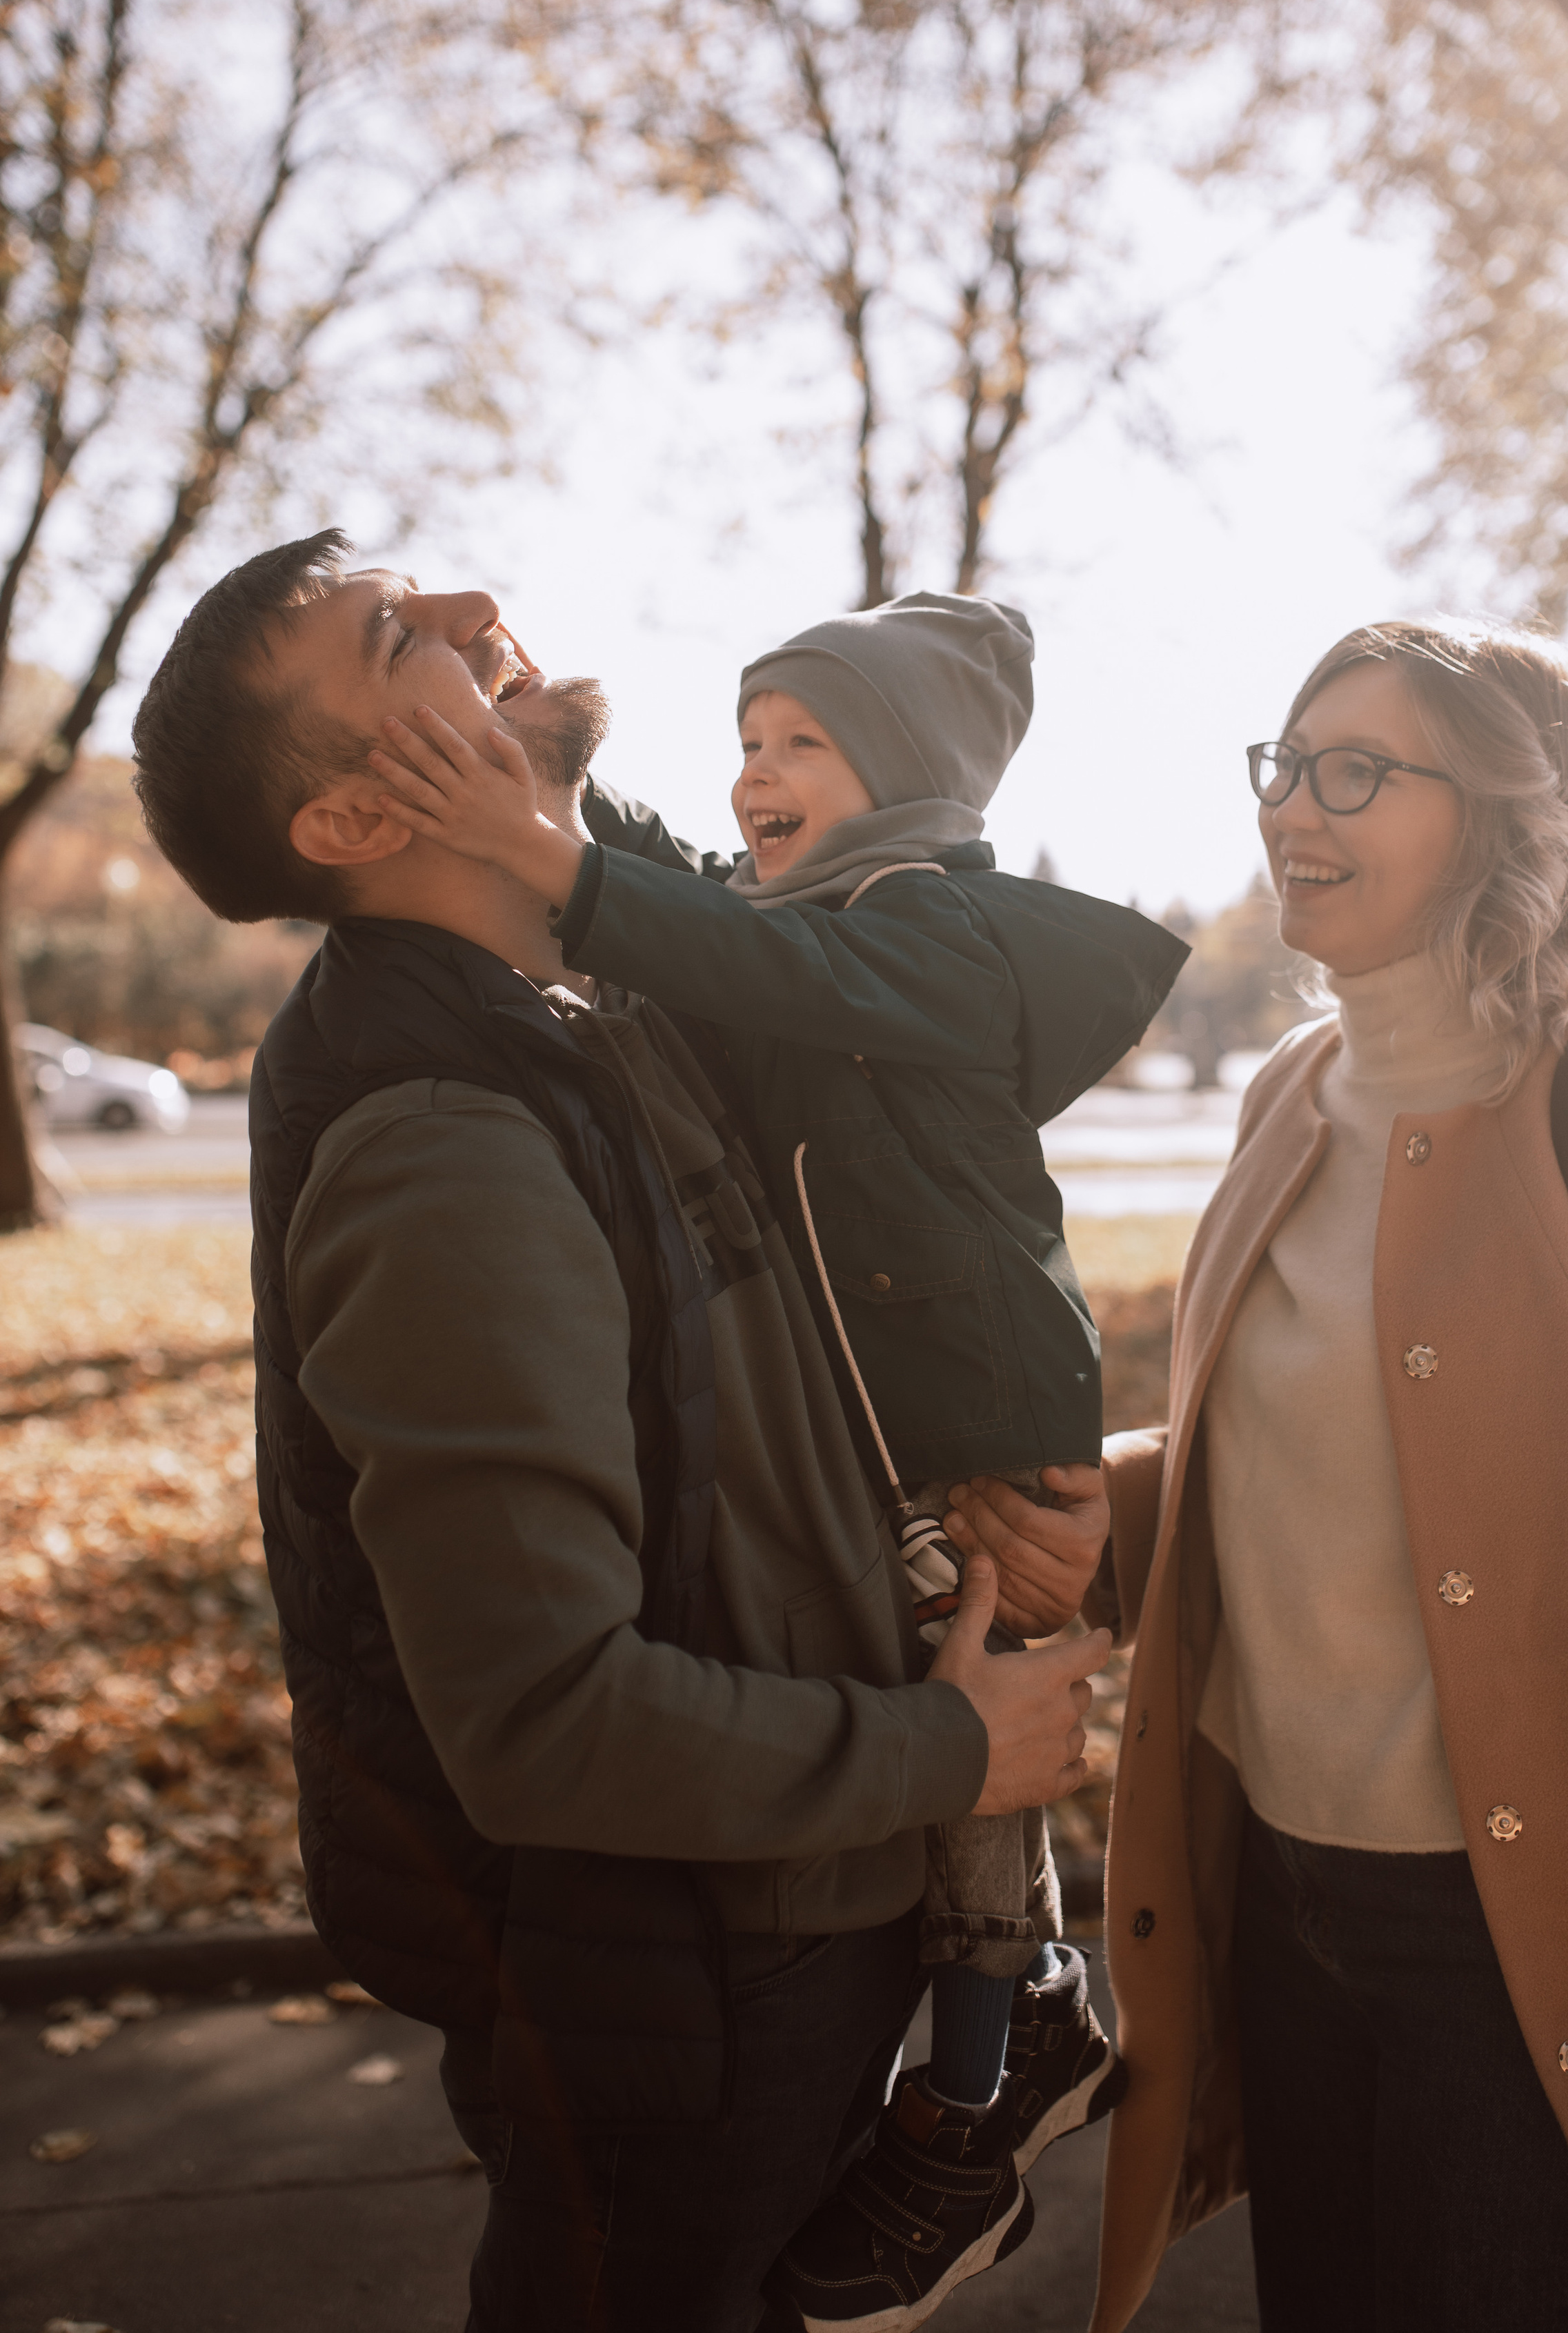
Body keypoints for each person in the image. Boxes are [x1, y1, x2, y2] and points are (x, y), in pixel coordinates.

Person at [129, 528, 1113, 2333]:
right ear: (350, 823)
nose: (465, 608)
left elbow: (813, 1338)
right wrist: (947, 1754)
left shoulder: (607, 1013)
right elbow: (547, 1724)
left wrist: (1019, 1488)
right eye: (387, 633)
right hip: (705, 1982)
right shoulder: (446, 1143)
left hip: (792, 1910)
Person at [367, 587, 1186, 2327]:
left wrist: (557, 858)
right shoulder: (800, 913)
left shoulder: (930, 928)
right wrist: (548, 765)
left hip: (985, 1410)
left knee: (976, 1734)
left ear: (903, 779)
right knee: (952, 1705)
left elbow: (753, 959)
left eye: (802, 742)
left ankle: (988, 2070)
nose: (755, 773)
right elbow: (712, 926)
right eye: (746, 740)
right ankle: (1015, 2019)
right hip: (894, 1418)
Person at [1087, 620, 1568, 2333]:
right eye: (1286, 764)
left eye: (1356, 773)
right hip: (1277, 1893)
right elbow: (1309, 1449)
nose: (1293, 811)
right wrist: (1089, 1504)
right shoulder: (1287, 1096)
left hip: (1519, 1926)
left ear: (1501, 818)